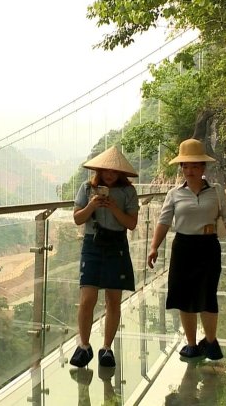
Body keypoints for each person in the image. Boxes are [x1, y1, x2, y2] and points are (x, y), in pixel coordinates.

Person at [146, 138, 226, 360]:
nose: (189, 170)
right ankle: (191, 344)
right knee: (184, 297)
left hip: (208, 247)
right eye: (185, 166)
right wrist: (154, 247)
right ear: (181, 168)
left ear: (203, 167)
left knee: (207, 295)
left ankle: (211, 342)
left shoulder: (216, 191)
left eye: (194, 165)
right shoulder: (174, 194)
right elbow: (163, 222)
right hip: (183, 247)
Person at [70, 145, 139, 369]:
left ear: (120, 173)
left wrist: (114, 208)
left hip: (117, 244)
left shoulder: (128, 192)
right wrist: (92, 205)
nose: (110, 175)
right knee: (87, 297)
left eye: (114, 171)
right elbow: (78, 219)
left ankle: (107, 348)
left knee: (113, 300)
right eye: (106, 171)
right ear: (99, 170)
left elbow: (131, 224)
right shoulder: (86, 188)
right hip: (93, 243)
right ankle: (84, 346)